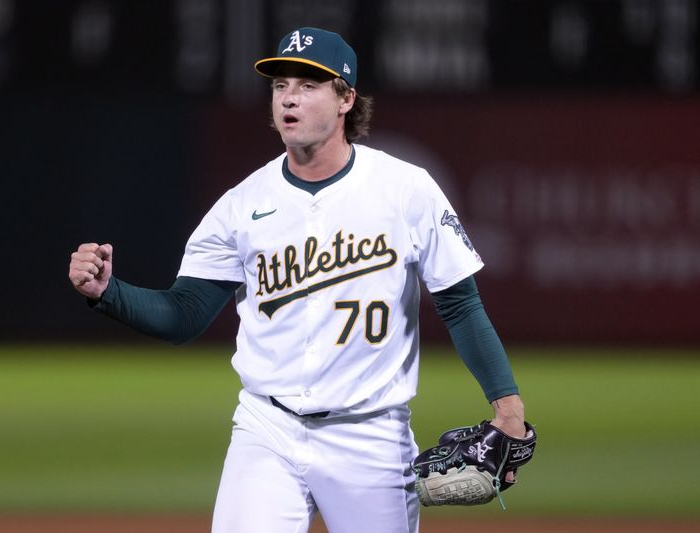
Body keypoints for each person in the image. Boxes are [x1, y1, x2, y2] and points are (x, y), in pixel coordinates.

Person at [68, 27, 527, 533]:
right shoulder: (242, 205)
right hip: (268, 429)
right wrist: (107, 293)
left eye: (309, 86)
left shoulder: (405, 190)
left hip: (371, 435)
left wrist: (508, 407)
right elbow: (184, 314)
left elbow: (461, 305)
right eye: (280, 85)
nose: (289, 97)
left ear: (346, 99)